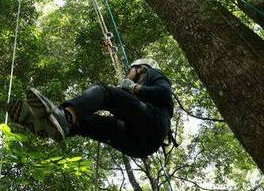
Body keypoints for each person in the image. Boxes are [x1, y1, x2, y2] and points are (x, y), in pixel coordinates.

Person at [9, 58, 173, 158]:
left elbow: (165, 93)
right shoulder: (135, 89)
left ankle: (64, 117)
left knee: (104, 92)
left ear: (141, 68)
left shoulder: (152, 74)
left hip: (154, 121)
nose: (128, 73)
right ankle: (46, 124)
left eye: (130, 70)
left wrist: (134, 88)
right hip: (141, 146)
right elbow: (127, 109)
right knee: (89, 121)